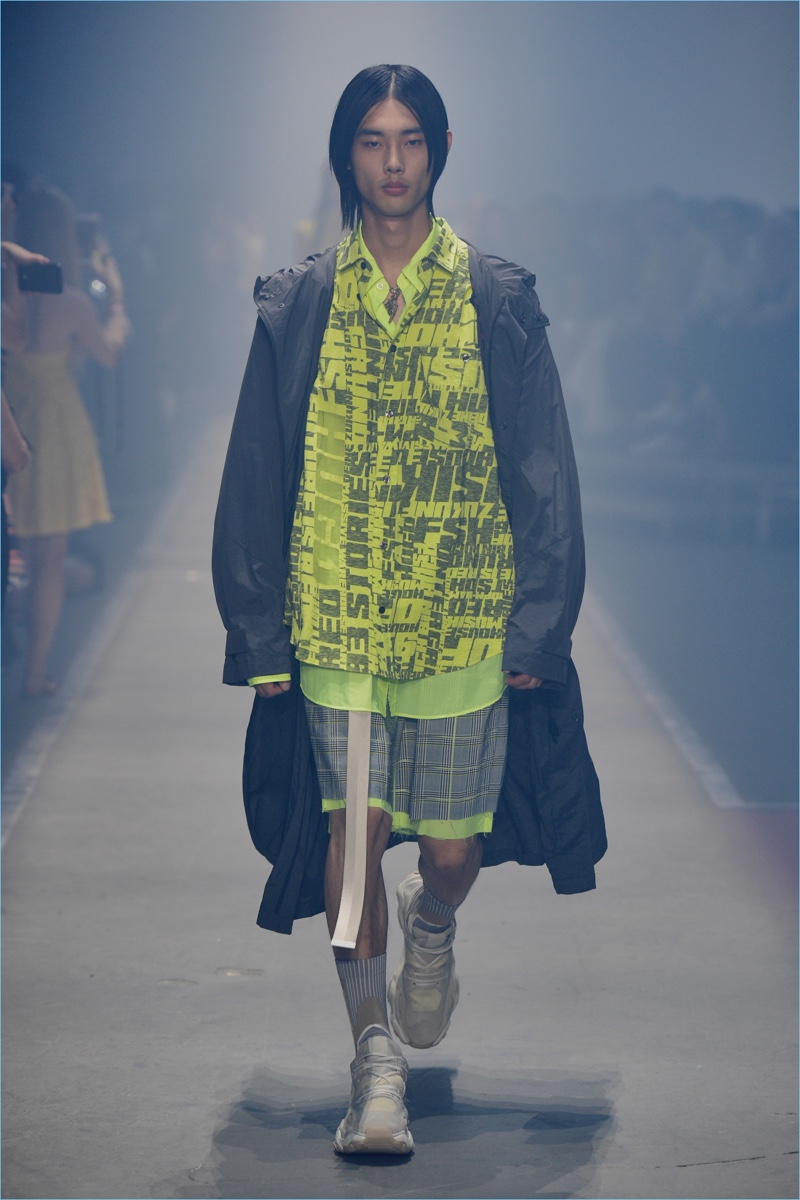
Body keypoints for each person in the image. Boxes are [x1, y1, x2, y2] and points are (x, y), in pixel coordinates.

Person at [213, 65, 605, 1157]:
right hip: (336, 615)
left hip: (461, 613)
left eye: (411, 140)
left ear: (438, 152)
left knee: (449, 853)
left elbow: (542, 467)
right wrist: (258, 627)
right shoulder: (301, 301)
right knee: (352, 848)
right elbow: (259, 465)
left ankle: (431, 925)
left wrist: (540, 621)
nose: (392, 162)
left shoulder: (492, 296)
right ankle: (372, 1064)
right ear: (347, 154)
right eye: (373, 141)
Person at [2, 184, 129, 696]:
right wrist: (118, 307)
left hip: (12, 422)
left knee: (16, 552)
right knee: (48, 561)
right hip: (56, 433)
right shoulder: (71, 302)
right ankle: (35, 674)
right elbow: (108, 354)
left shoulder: (6, 298)